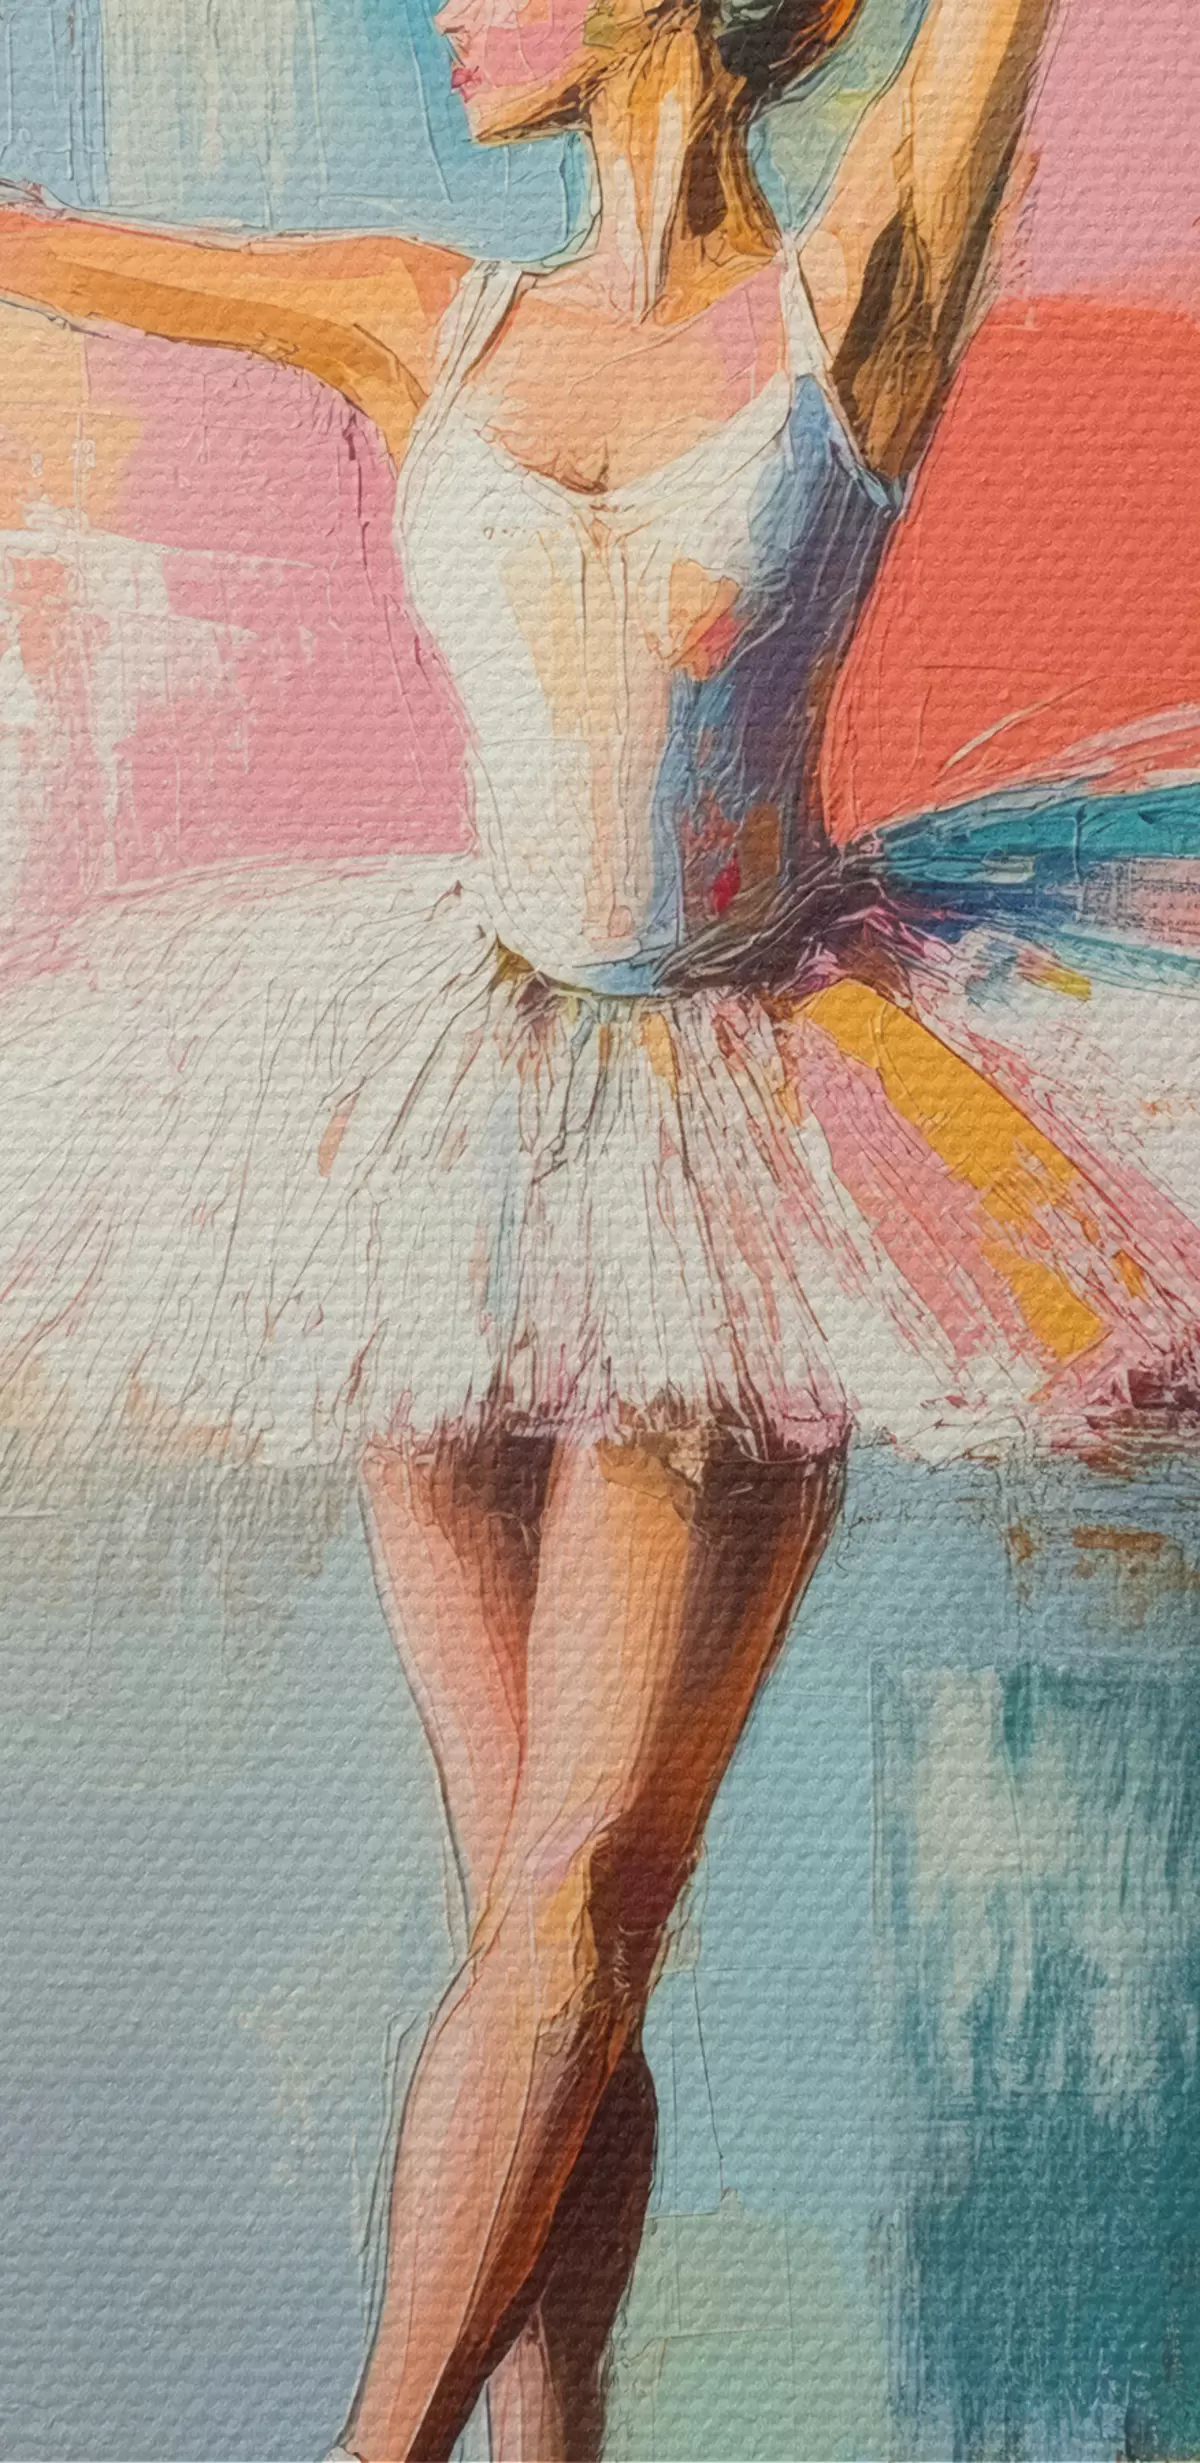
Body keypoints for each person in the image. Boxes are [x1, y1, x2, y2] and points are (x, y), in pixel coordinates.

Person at [1, 0, 1197, 2453]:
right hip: (448, 1136)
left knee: (571, 1910)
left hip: (741, 1151)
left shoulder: (858, 287)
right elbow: (46, 251)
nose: (451, 13)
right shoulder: (422, 317)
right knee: (549, 1946)